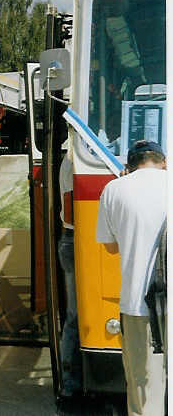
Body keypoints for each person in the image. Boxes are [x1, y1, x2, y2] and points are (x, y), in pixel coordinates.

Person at [95, 140, 166, 416]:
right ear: (163, 162)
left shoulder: (114, 189)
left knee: (143, 384)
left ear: (129, 166)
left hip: (139, 305)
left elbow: (111, 247)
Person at [57, 152, 82, 402]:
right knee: (74, 317)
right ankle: (70, 383)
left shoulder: (71, 158)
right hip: (76, 239)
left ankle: (71, 382)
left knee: (74, 317)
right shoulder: (77, 160)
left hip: (70, 238)